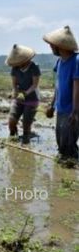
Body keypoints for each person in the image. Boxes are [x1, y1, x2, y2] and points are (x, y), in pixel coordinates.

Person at [43, 26, 79, 162]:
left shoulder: (76, 61)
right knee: (61, 143)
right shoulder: (59, 62)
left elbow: (77, 87)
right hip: (61, 109)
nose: (51, 48)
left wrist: (75, 112)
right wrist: (52, 105)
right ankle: (65, 171)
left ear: (60, 46)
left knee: (69, 145)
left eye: (52, 45)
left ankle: (72, 173)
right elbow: (58, 86)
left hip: (72, 110)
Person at [5, 44, 41, 144]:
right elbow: (14, 85)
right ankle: (13, 139)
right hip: (19, 98)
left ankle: (26, 143)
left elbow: (34, 85)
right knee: (12, 121)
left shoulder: (34, 67)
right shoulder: (15, 69)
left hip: (32, 98)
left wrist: (25, 93)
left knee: (26, 124)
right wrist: (15, 93)